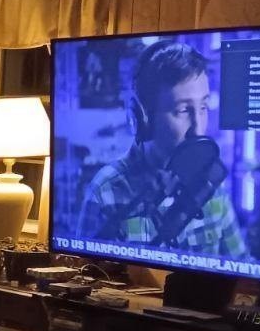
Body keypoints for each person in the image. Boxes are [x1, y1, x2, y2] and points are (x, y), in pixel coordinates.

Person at [76, 40, 247, 255]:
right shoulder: (105, 191)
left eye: (203, 107)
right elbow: (84, 270)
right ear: (143, 120)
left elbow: (243, 266)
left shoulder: (210, 185)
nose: (198, 129)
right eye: (183, 110)